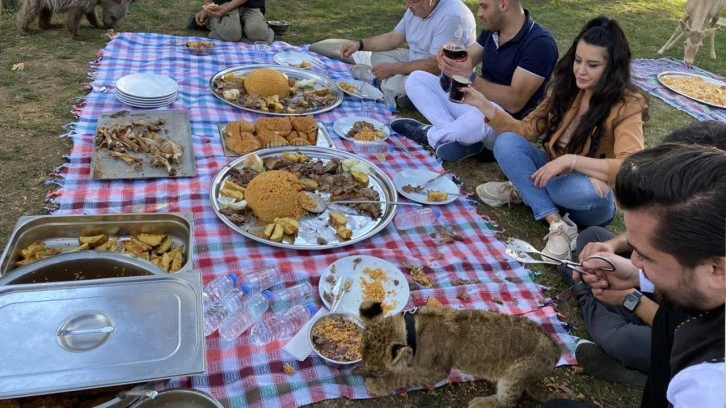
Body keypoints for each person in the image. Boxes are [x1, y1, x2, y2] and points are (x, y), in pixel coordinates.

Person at [544, 143, 725, 408]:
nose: (635, 260)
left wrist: (634, 297)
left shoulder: (709, 388)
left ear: (717, 269)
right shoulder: (708, 278)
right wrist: (636, 276)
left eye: (647, 256)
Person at [461, 16, 648, 259]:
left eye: (592, 65)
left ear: (612, 68)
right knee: (506, 142)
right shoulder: (566, 88)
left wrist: (570, 161)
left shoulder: (628, 104)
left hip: (586, 193)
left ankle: (525, 190)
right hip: (551, 174)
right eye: (578, 60)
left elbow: (631, 167)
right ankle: (556, 223)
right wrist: (485, 106)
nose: (581, 70)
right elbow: (525, 130)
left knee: (580, 191)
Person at [391, 0, 558, 162]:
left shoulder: (539, 44)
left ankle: (430, 135)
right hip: (475, 105)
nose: (479, 13)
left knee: (482, 112)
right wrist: (448, 57)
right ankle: (455, 137)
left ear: (504, 4)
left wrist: (469, 78)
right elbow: (468, 57)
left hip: (504, 125)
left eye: (484, 7)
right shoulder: (494, 30)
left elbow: (515, 102)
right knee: (416, 79)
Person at [309, 0, 476, 106]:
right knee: (377, 55)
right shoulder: (416, 6)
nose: (408, 4)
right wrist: (360, 44)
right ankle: (394, 88)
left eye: (413, 1)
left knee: (411, 82)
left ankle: (382, 84)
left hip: (443, 76)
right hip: (415, 58)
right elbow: (393, 38)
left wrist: (395, 69)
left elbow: (435, 66)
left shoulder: (452, 16)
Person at [188, 0, 273, 43]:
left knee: (258, 34)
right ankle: (208, 21)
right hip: (222, 4)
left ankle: (224, 30)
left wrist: (227, 8)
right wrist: (208, 6)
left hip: (251, 5)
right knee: (232, 34)